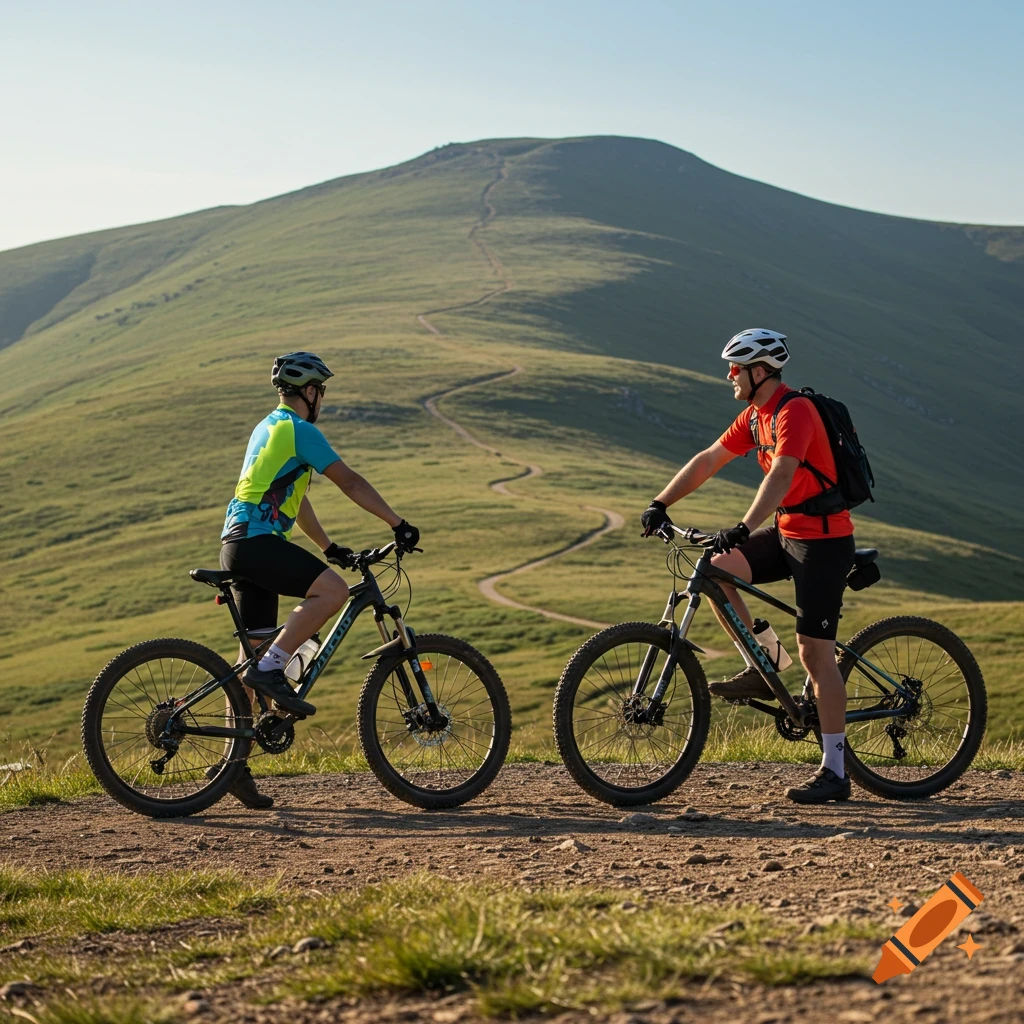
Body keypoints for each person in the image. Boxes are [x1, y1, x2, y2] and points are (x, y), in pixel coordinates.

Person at [640, 329, 856, 804]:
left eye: (735, 368)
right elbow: (709, 459)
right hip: (787, 533)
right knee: (717, 570)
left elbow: (783, 472)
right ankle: (764, 663)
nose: (729, 375)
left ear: (760, 372)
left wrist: (743, 524)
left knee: (816, 655)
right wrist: (660, 502)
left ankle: (836, 771)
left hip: (823, 541)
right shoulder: (755, 416)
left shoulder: (794, 410)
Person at [214, 351, 420, 808]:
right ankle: (271, 673)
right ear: (310, 392)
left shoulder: (267, 427)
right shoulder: (299, 430)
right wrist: (397, 523)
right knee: (331, 592)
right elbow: (349, 481)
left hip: (238, 542)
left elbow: (294, 498)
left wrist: (327, 547)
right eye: (320, 391)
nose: (320, 399)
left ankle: (233, 765)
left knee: (254, 652)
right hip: (257, 541)